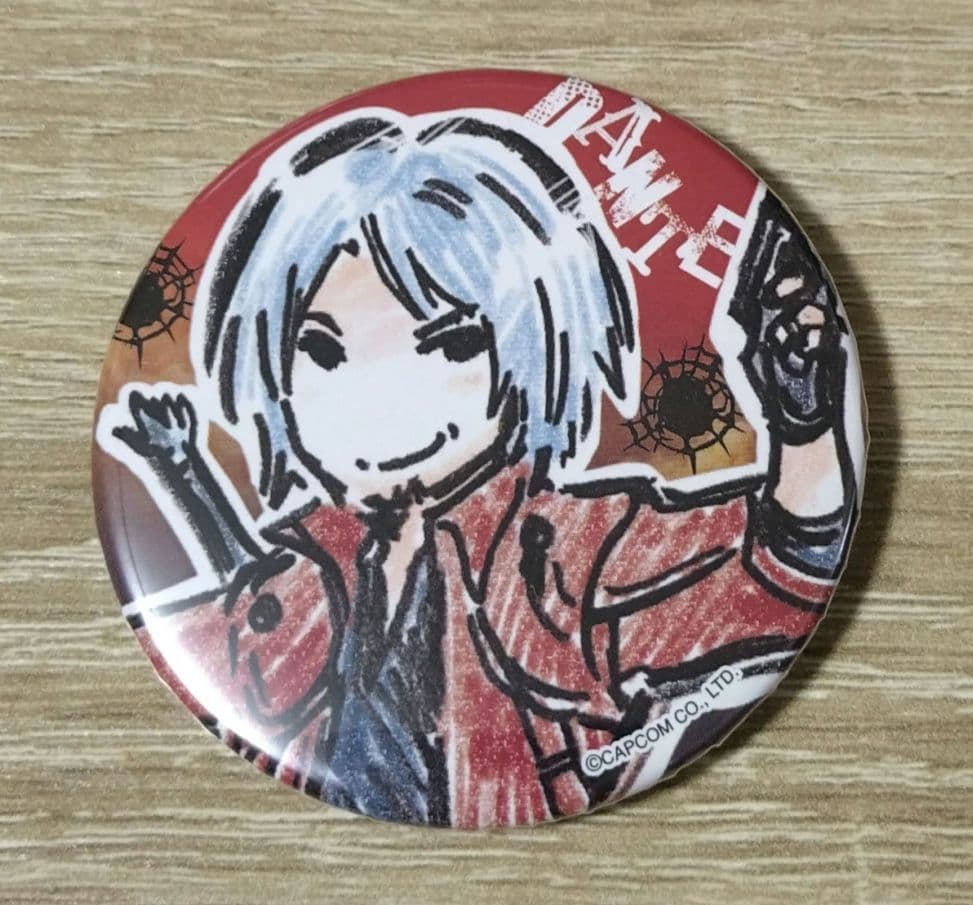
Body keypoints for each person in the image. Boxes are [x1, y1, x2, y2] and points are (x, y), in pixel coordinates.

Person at [97, 108, 858, 828]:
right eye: (323, 352)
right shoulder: (320, 561)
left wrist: (803, 426)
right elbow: (228, 640)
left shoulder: (557, 551)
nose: (382, 400)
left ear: (530, 349)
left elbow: (768, 575)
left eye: (450, 345)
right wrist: (184, 471)